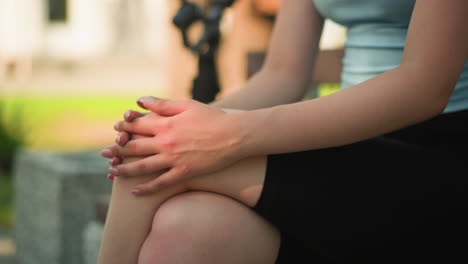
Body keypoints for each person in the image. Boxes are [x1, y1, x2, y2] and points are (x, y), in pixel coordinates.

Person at [97, 0, 468, 263]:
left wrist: (230, 132)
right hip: (357, 152)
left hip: (444, 156)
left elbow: (425, 89)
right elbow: (282, 76)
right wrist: (183, 125)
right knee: (186, 228)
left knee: (152, 161)